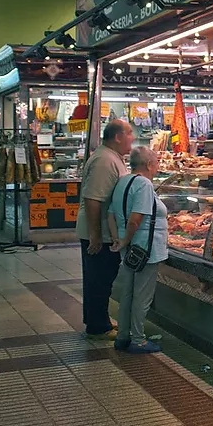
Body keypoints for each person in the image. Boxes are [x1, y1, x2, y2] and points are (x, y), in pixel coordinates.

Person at [76, 119, 134, 340]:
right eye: (129, 133)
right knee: (98, 279)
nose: (132, 138)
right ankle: (97, 327)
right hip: (99, 233)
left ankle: (99, 321)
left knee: (102, 278)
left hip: (105, 232)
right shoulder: (104, 160)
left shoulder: (112, 157)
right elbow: (93, 200)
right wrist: (95, 236)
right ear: (117, 137)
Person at [107, 147, 169, 354]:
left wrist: (119, 239)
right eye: (157, 162)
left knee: (128, 293)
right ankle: (139, 340)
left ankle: (123, 336)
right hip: (145, 248)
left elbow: (110, 215)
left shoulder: (123, 181)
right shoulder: (143, 184)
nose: (158, 166)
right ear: (149, 165)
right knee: (142, 297)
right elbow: (136, 219)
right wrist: (125, 240)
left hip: (131, 247)